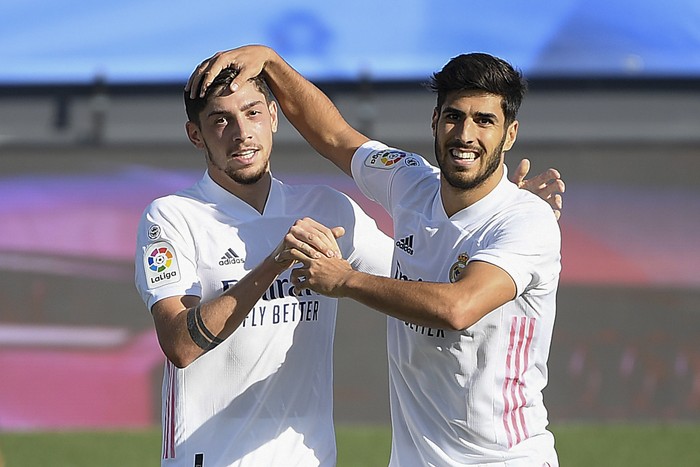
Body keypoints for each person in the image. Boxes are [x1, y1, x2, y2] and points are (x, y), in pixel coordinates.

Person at [190, 45, 563, 466]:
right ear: (436, 122)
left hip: (505, 460)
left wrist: (345, 280)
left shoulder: (526, 221)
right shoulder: (412, 183)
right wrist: (270, 61)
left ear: (510, 134)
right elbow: (333, 136)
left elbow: (459, 307)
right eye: (455, 116)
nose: (465, 135)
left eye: (485, 121)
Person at [134, 67, 394, 466]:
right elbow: (180, 345)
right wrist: (274, 263)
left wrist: (497, 215)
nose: (241, 132)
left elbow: (420, 278)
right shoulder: (172, 217)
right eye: (221, 120)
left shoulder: (327, 208)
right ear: (195, 135)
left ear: (274, 116)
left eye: (252, 112)